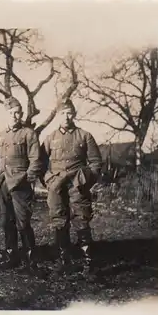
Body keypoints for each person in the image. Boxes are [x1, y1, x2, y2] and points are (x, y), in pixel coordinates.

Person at [39, 99, 103, 275]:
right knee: (59, 221)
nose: (65, 117)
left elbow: (96, 163)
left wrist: (84, 181)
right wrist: (49, 181)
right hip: (56, 186)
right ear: (57, 116)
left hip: (78, 185)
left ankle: (88, 263)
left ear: (74, 114)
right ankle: (63, 262)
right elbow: (40, 164)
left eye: (69, 113)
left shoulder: (84, 136)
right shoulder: (50, 138)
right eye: (62, 113)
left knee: (81, 220)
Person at [0, 97, 44, 275]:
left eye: (17, 112)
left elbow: (36, 160)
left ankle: (30, 260)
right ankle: (11, 257)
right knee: (6, 221)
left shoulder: (29, 134)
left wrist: (28, 178)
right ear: (6, 114)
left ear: (21, 114)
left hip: (20, 184)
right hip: (2, 184)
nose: (14, 115)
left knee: (23, 221)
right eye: (11, 113)